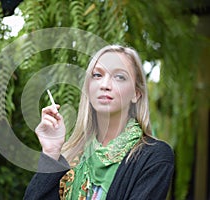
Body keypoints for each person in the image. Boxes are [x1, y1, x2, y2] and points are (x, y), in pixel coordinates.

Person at [24, 45, 174, 200]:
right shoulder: (71, 156)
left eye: (119, 77)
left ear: (136, 94)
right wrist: (51, 152)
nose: (105, 85)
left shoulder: (154, 157)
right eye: (97, 75)